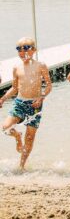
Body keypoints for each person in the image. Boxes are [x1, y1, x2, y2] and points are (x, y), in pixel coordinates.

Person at [0, 38, 51, 170]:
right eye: (19, 49)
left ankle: (21, 165)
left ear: (34, 50)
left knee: (30, 137)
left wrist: (41, 98)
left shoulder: (41, 66)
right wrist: (3, 98)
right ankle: (17, 136)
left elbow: (49, 86)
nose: (23, 51)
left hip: (35, 105)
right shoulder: (16, 68)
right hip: (20, 102)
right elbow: (15, 87)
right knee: (5, 127)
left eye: (26, 48)